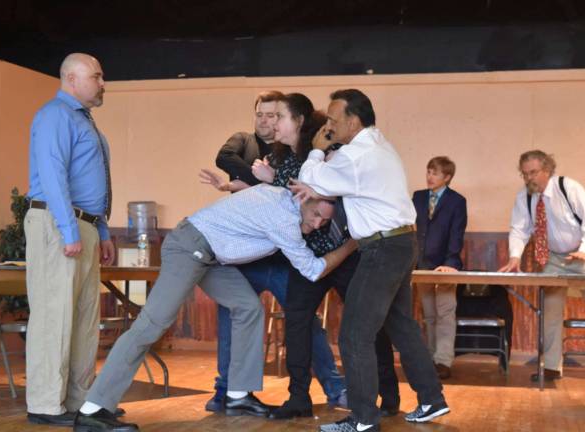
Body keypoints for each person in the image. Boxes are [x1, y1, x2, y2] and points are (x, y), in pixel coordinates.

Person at [72, 184, 358, 431]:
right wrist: (351, 245)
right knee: (152, 324)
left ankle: (237, 395)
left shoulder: (281, 195)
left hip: (211, 256)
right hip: (190, 248)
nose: (319, 223)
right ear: (303, 199)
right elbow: (312, 269)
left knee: (248, 307)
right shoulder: (284, 218)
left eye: (325, 219)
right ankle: (93, 409)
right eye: (316, 214)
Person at [291, 89, 450, 431]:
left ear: (353, 120)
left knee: (353, 335)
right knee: (402, 326)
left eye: (333, 120)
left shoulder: (355, 156)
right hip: (402, 243)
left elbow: (311, 180)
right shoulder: (378, 144)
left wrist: (317, 150)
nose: (329, 127)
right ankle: (432, 400)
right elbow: (333, 183)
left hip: (382, 249)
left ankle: (362, 419)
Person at [200, 92, 348, 412]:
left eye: (275, 115)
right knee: (232, 315)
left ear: (294, 120)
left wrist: (264, 179)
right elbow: (225, 159)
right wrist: (247, 182)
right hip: (249, 256)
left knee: (304, 321)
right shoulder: (246, 143)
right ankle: (225, 389)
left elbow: (301, 194)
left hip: (287, 257)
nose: (268, 121)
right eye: (263, 115)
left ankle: (335, 387)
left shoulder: (305, 151)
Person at [24, 53, 116, 427]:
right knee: (53, 315)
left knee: (82, 318)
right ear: (71, 78)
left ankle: (79, 400)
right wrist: (68, 229)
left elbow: (95, 183)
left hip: (87, 225)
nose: (102, 82)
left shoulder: (85, 122)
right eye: (96, 76)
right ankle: (45, 404)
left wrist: (103, 231)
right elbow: (52, 173)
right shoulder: (54, 115)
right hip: (60, 223)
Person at [499, 150, 585, 381]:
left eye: (533, 172)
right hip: (555, 259)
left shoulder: (568, 188)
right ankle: (552, 366)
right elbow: (519, 229)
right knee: (550, 312)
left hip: (582, 255)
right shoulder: (524, 197)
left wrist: (583, 251)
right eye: (525, 174)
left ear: (547, 170)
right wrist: (515, 257)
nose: (529, 178)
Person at [412, 156, 467, 379]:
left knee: (445, 312)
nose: (429, 177)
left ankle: (444, 360)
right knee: (429, 314)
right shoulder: (418, 197)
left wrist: (450, 263)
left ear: (447, 177)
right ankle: (432, 357)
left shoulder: (457, 201)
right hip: (422, 264)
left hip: (447, 265)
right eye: (428, 171)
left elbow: (456, 234)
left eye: (435, 173)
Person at [213, 90, 284, 192]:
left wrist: (244, 184)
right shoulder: (242, 138)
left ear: (281, 117)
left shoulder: (289, 148)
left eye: (270, 115)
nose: (263, 120)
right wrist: (260, 178)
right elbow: (224, 157)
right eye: (259, 115)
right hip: (241, 206)